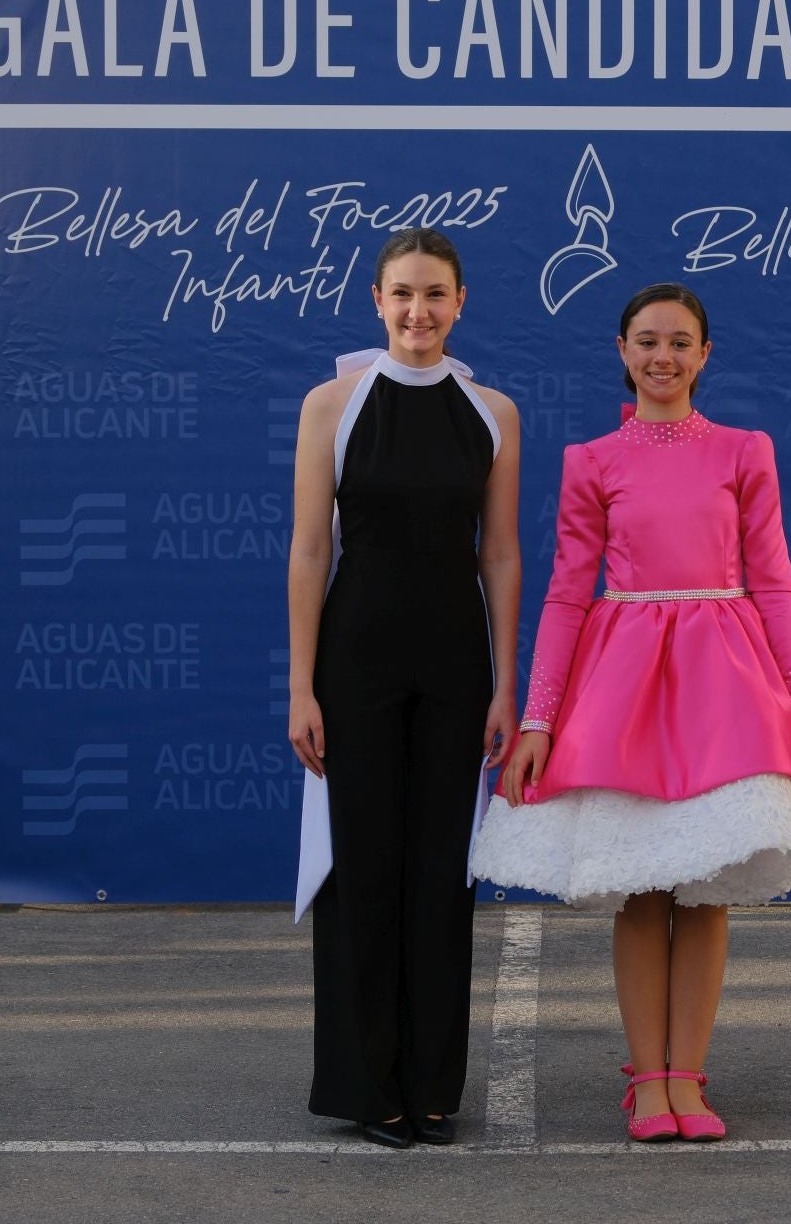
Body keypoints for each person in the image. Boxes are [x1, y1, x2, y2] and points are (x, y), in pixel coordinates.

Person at [471, 282, 791, 1143]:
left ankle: (688, 1081)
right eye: (645, 341)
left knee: (706, 888)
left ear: (706, 355)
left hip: (726, 687)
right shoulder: (592, 459)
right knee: (641, 888)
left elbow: (774, 582)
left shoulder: (746, 450)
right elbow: (564, 596)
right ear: (621, 353)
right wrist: (541, 721)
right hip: (623, 687)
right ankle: (647, 1081)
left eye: (679, 342)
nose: (661, 357)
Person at [286, 228, 520, 1149]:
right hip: (356, 659)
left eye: (435, 294)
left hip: (458, 662)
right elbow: (311, 550)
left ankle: (431, 1089)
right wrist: (301, 686)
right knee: (364, 870)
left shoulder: (494, 412)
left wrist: (508, 686)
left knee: (439, 875)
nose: (417, 311)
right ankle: (365, 1086)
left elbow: (498, 553)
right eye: (401, 294)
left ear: (461, 303)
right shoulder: (331, 405)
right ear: (376, 302)